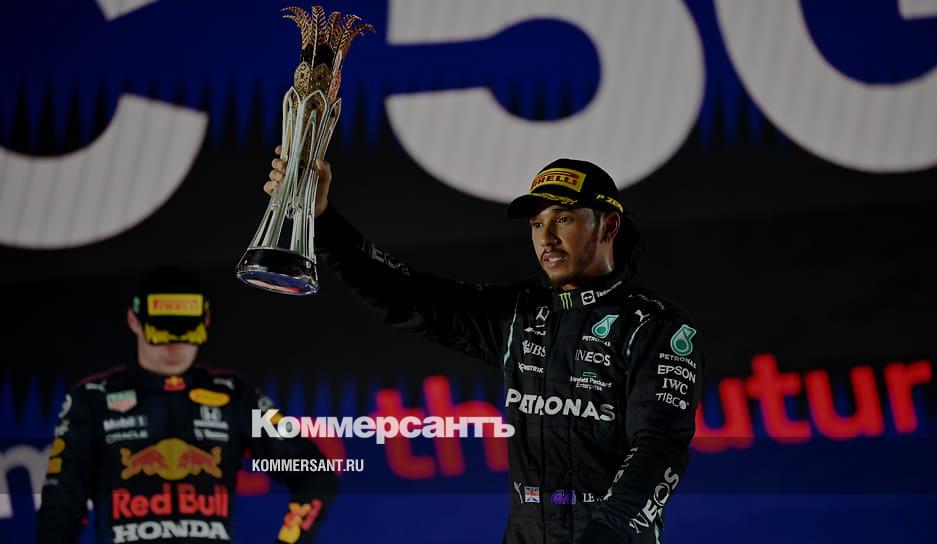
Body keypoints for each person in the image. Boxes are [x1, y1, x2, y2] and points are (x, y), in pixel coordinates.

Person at [265, 152, 705, 543]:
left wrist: (605, 534)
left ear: (608, 225)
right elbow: (406, 296)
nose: (546, 238)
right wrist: (323, 220)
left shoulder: (656, 325)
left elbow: (659, 448)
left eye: (563, 219)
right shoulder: (519, 313)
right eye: (537, 224)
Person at [36, 267, 337, 543]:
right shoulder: (91, 398)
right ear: (134, 320)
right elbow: (60, 509)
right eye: (162, 333)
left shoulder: (235, 395)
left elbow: (315, 473)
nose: (175, 345)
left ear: (205, 321)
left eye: (187, 332)